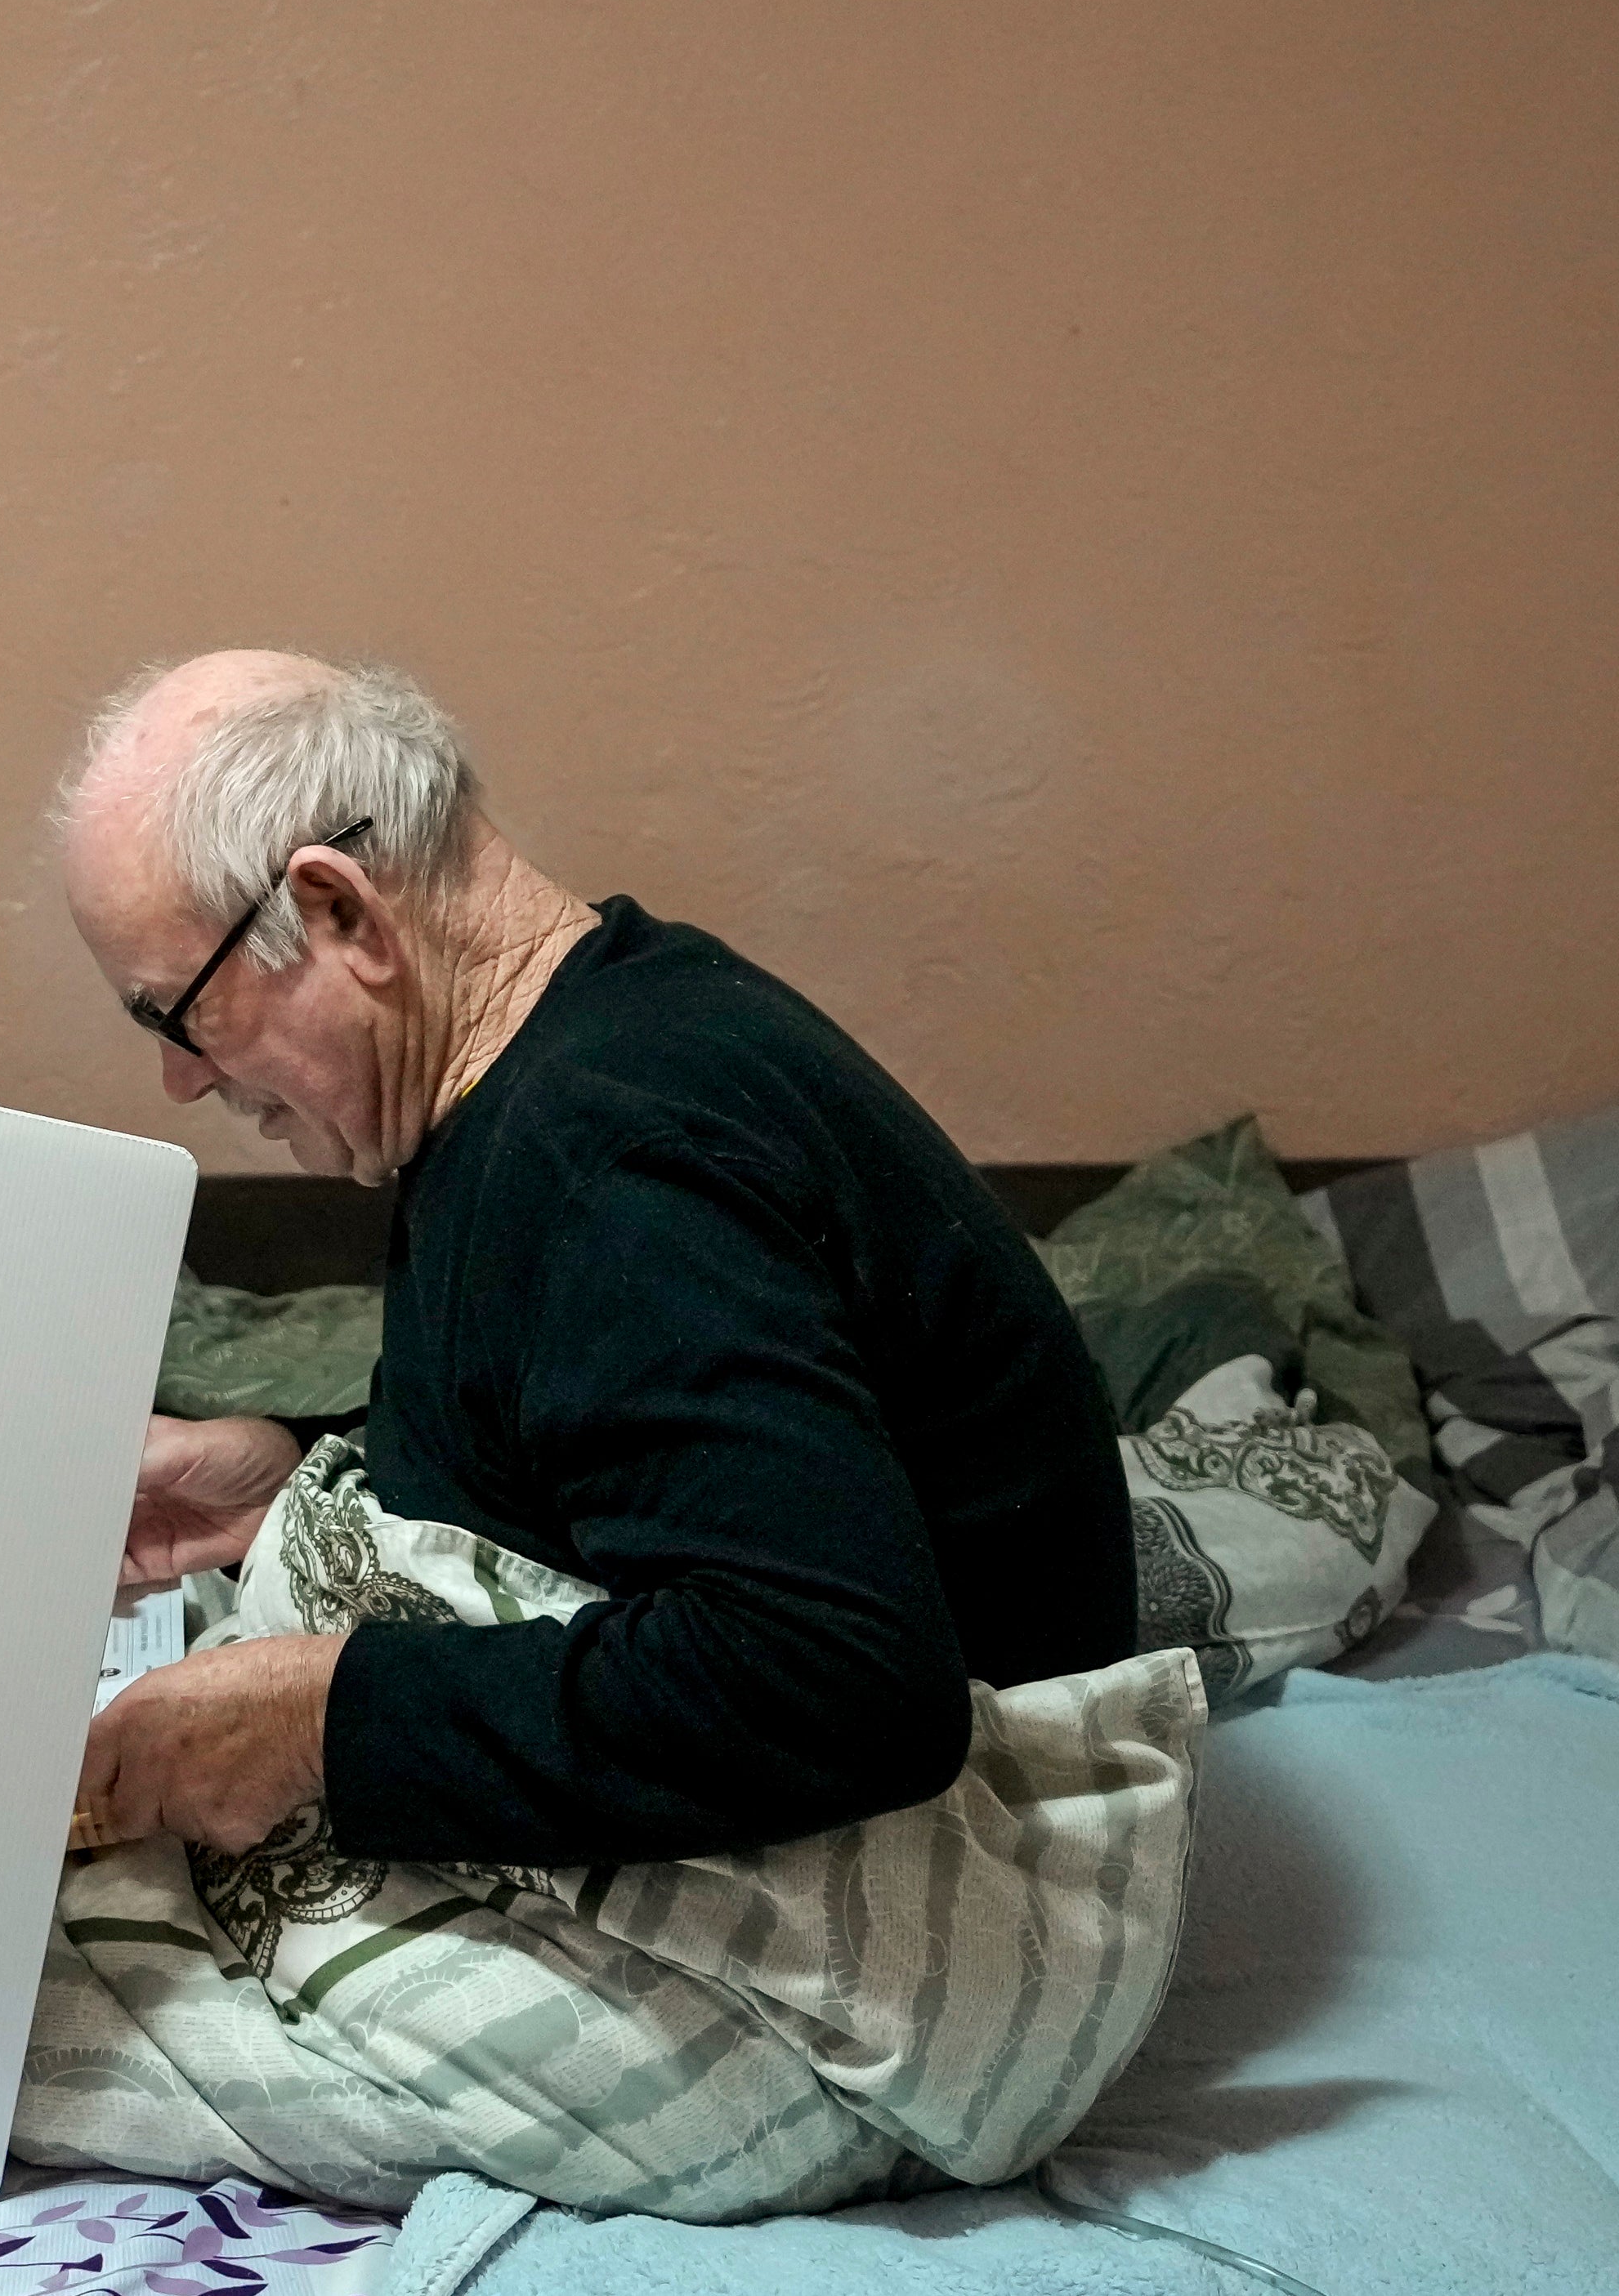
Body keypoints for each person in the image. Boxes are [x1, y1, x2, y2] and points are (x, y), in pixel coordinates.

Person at [58, 652, 1131, 1870]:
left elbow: (844, 1683)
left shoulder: (605, 1163)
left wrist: (318, 1722)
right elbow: (614, 1428)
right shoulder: (610, 1025)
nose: (180, 1078)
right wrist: (288, 1482)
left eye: (173, 1013)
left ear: (339, 912)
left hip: (961, 1843)